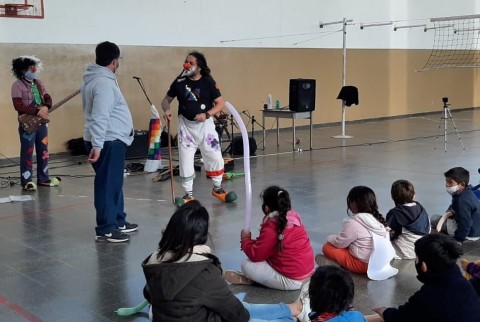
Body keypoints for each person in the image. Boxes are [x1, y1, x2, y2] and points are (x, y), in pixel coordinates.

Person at [142, 200, 249, 322]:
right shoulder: (205, 271)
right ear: (203, 235)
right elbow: (238, 315)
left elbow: (148, 295)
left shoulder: (153, 263)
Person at [161, 51, 236, 204]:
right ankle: (188, 194)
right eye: (186, 61)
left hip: (205, 127)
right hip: (186, 128)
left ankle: (217, 188)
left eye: (191, 63)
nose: (186, 65)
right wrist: (166, 110)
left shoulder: (208, 82)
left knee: (214, 156)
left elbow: (220, 103)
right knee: (185, 160)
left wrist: (207, 115)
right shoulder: (179, 81)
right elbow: (166, 100)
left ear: (199, 67)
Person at [82, 41, 138, 243]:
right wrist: (97, 145)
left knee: (114, 183)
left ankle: (118, 220)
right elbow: (100, 116)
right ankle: (106, 228)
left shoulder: (98, 79)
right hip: (107, 142)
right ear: (115, 61)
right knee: (107, 185)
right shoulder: (103, 83)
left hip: (111, 140)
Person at [369, 234, 480, 322]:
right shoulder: (465, 285)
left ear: (424, 266)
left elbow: (401, 317)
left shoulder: (428, 296)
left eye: (416, 259)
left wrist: (384, 311)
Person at [225, 185, 315, 290]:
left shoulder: (272, 226)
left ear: (266, 208)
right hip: (309, 273)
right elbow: (269, 245)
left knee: (246, 265)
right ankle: (257, 279)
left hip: (293, 281)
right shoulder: (294, 217)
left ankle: (252, 279)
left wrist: (245, 240)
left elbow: (256, 255)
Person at [318, 186, 395, 276]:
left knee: (327, 247)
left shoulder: (353, 222)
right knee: (349, 242)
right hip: (381, 262)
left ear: (354, 204)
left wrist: (330, 237)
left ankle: (338, 267)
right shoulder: (376, 219)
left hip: (363, 265)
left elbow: (339, 243)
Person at [10, 56, 61, 191]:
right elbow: (18, 105)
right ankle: (26, 180)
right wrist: (35, 111)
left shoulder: (39, 83)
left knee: (43, 151)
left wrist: (46, 107)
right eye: (30, 68)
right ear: (22, 70)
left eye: (35, 67)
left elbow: (47, 97)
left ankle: (43, 178)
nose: (34, 70)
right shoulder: (17, 85)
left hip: (42, 124)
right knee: (27, 151)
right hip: (28, 123)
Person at [431, 167, 480, 243]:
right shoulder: (469, 191)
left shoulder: (461, 200)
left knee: (434, 219)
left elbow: (466, 223)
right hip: (476, 228)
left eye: (450, 182)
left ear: (462, 184)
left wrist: (458, 240)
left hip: (470, 233)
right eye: (446, 182)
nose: (446, 185)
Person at [386, 180, 430, 259]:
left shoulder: (395, 214)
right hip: (422, 250)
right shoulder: (420, 208)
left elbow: (389, 236)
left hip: (405, 253)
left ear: (393, 197)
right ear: (413, 195)